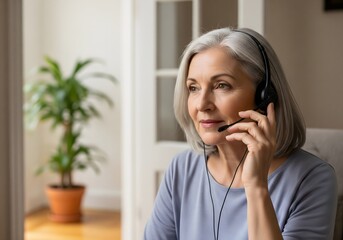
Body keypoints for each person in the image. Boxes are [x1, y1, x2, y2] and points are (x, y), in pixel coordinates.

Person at [143, 27, 337, 240]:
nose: (202, 104)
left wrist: (256, 186)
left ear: (265, 96)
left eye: (221, 85)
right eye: (193, 88)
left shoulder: (312, 179)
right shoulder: (182, 169)